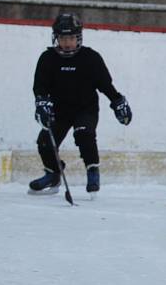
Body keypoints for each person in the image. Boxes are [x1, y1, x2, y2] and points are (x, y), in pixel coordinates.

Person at [29, 13, 132, 196]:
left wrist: (117, 101)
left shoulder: (90, 58)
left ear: (79, 38)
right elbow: (40, 87)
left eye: (71, 38)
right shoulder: (47, 58)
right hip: (59, 110)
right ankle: (53, 174)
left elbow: (105, 85)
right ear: (56, 38)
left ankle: (92, 170)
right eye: (62, 38)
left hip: (85, 108)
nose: (67, 43)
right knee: (45, 141)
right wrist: (42, 104)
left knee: (84, 133)